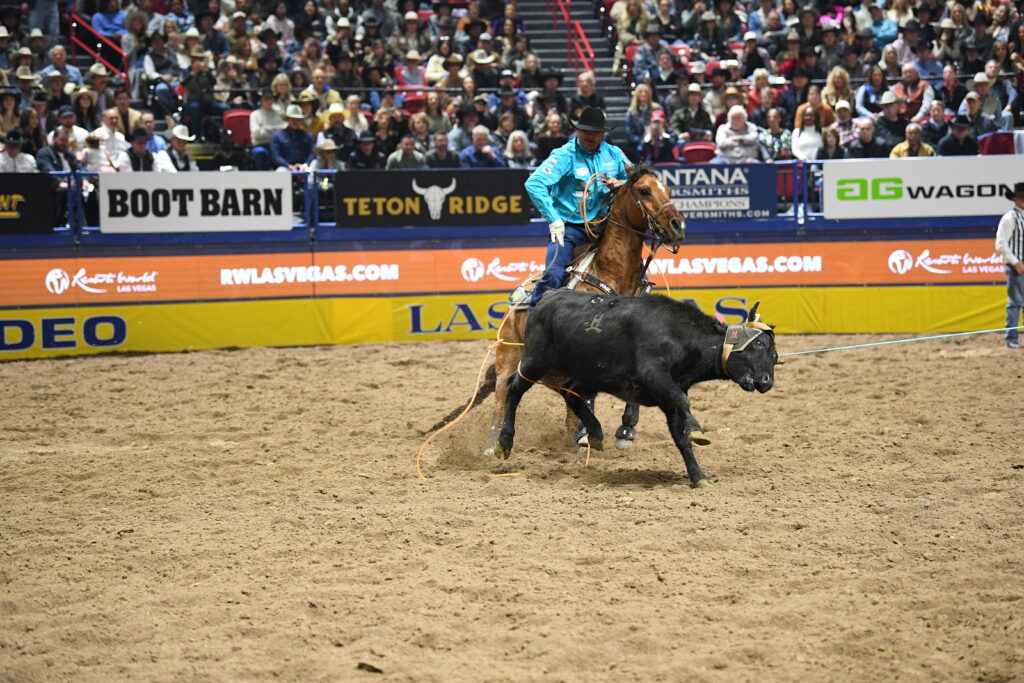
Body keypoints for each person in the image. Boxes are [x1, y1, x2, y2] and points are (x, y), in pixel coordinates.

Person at [523, 107, 628, 309]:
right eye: (586, 130)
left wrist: (621, 183)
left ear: (603, 133)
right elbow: (533, 184)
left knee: (636, 272)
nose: (591, 135)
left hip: (607, 228)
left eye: (596, 131)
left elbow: (638, 179)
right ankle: (534, 320)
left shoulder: (614, 154)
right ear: (577, 131)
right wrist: (553, 219)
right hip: (569, 229)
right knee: (554, 274)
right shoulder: (564, 155)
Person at [995, 182, 1024, 349]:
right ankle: (1011, 338)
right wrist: (1016, 262)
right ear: (1015, 199)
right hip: (1017, 267)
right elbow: (1001, 244)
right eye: (1020, 197)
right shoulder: (1010, 218)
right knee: (1015, 302)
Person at [271, 104, 315, 171]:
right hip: (286, 167)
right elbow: (276, 157)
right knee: (280, 171)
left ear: (301, 121)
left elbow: (312, 154)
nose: (295, 122)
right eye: (292, 119)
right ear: (287, 119)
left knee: (312, 170)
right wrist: (289, 166)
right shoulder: (277, 136)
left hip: (304, 168)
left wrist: (305, 165)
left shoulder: (308, 136)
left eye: (297, 119)